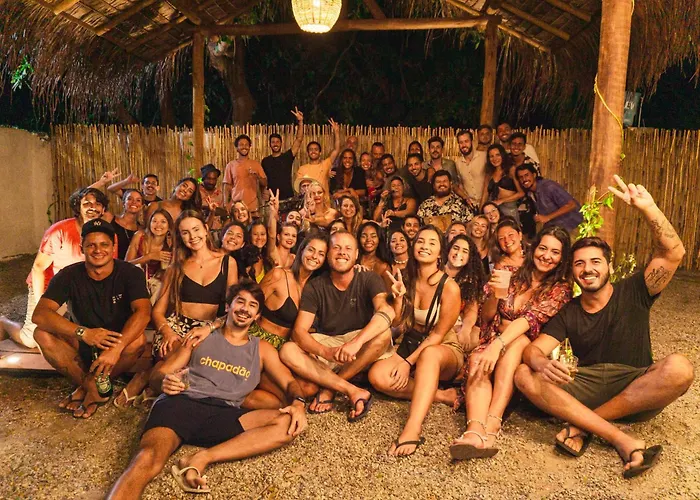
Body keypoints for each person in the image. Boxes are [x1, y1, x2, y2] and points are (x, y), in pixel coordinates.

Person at [514, 176, 693, 478]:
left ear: (609, 266)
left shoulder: (635, 290)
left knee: (681, 368)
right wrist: (541, 363)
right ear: (572, 272)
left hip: (636, 387)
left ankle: (584, 424)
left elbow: (673, 253)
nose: (588, 269)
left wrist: (649, 208)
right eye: (579, 264)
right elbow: (533, 350)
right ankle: (619, 437)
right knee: (523, 374)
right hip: (588, 385)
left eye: (596, 262)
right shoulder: (569, 311)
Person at [106, 280, 308, 499]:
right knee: (147, 458)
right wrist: (164, 381)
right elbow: (159, 374)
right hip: (182, 404)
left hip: (226, 413)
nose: (245, 309)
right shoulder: (200, 337)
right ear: (228, 306)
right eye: (240, 302)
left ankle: (202, 458)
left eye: (252, 305)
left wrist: (298, 403)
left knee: (288, 424)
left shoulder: (262, 349)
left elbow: (289, 383)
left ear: (257, 316)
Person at [450, 225, 573, 460]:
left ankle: (493, 423)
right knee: (477, 359)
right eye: (543, 248)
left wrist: (497, 346)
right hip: (493, 339)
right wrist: (495, 294)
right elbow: (486, 317)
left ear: (562, 258)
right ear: (533, 248)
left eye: (555, 252)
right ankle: (475, 430)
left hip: (524, 352)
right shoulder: (510, 273)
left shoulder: (560, 290)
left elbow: (530, 319)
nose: (547, 256)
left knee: (517, 342)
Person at [32, 219, 151, 419]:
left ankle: (87, 387)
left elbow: (143, 312)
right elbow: (40, 314)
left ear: (113, 247)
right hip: (82, 340)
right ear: (82, 248)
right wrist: (84, 333)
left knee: (138, 340)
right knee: (41, 333)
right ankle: (92, 386)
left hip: (116, 343)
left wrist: (116, 348)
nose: (98, 250)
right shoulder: (68, 275)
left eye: (104, 244)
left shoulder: (130, 273)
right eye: (91, 245)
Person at [368, 226, 464, 456]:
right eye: (420, 241)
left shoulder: (449, 287)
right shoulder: (407, 279)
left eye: (432, 243)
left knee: (429, 355)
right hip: (411, 342)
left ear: (440, 252)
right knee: (377, 376)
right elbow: (398, 321)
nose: (424, 246)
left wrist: (407, 363)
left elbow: (437, 336)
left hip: (442, 349)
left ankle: (413, 428)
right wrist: (398, 298)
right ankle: (441, 395)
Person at [279, 230, 395, 419]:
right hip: (331, 344)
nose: (342, 252)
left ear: (356, 255)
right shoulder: (315, 286)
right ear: (328, 255)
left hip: (360, 345)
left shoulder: (369, 278)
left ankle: (330, 388)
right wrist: (326, 352)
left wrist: (356, 343)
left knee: (383, 333)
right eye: (336, 247)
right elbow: (299, 332)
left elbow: (387, 311)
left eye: (348, 248)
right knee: (288, 350)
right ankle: (352, 389)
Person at [1, 188, 109, 348]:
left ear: (103, 209)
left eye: (97, 204)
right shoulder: (59, 231)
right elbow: (38, 268)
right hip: (50, 288)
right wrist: (41, 303)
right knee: (32, 340)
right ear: (78, 208)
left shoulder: (106, 233)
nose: (92, 207)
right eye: (87, 204)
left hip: (79, 289)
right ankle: (5, 323)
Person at [152, 211, 237, 362]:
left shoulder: (227, 263)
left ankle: (147, 375)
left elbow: (233, 309)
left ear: (206, 229)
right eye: (185, 232)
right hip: (176, 328)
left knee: (198, 358)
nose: (192, 236)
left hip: (211, 329)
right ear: (181, 237)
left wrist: (210, 328)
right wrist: (167, 332)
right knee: (181, 357)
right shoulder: (176, 267)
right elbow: (158, 311)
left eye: (196, 229)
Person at [125, 208, 174, 305]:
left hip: (158, 287)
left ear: (169, 226)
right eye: (154, 221)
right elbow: (125, 265)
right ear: (149, 223)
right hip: (137, 281)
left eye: (163, 222)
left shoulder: (171, 242)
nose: (158, 225)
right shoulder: (139, 236)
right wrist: (149, 256)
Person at [516, 164, 583, 233]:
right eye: (521, 177)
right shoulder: (530, 193)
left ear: (534, 175)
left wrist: (547, 217)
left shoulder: (548, 187)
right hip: (558, 231)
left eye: (526, 175)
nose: (524, 179)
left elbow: (571, 204)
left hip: (573, 227)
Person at [262, 107, 305, 201]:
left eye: (277, 142)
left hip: (288, 198)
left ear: (281, 143)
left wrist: (300, 122)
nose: (275, 144)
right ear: (269, 144)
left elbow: (299, 140)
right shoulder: (265, 161)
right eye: (273, 142)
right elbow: (263, 181)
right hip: (272, 199)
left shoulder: (287, 157)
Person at [223, 134, 267, 216]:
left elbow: (264, 183)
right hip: (237, 208)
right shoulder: (231, 165)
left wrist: (257, 177)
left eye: (246, 144)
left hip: (253, 208)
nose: (244, 147)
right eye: (241, 145)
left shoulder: (256, 164)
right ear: (237, 148)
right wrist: (226, 203)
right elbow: (227, 186)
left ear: (250, 147)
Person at [295, 119, 341, 198]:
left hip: (324, 202)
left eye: (316, 149)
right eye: (311, 149)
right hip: (309, 202)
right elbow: (301, 188)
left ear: (320, 153)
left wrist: (336, 132)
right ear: (308, 153)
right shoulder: (302, 169)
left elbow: (336, 150)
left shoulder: (325, 164)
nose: (313, 151)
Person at [481, 144, 524, 222]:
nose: (495, 159)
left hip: (509, 209)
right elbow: (485, 194)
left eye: (497, 155)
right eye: (491, 156)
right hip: (493, 211)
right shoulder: (489, 173)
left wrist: (502, 200)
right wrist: (480, 212)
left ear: (503, 155)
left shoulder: (511, 169)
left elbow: (521, 193)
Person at [104, 189, 143, 260]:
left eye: (138, 200)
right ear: (123, 203)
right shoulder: (109, 218)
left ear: (141, 206)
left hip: (129, 266)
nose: (134, 202)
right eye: (130, 199)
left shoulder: (141, 229)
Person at [455, 129, 487, 208]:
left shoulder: (484, 157)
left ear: (472, 142)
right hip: (470, 205)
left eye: (466, 141)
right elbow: (460, 184)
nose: (464, 145)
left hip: (487, 202)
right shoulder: (458, 163)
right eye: (461, 142)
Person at [266, 190, 298, 269]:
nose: (290, 238)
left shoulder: (294, 258)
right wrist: (273, 212)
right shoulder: (273, 251)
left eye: (293, 236)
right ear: (278, 237)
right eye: (286, 234)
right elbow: (271, 235)